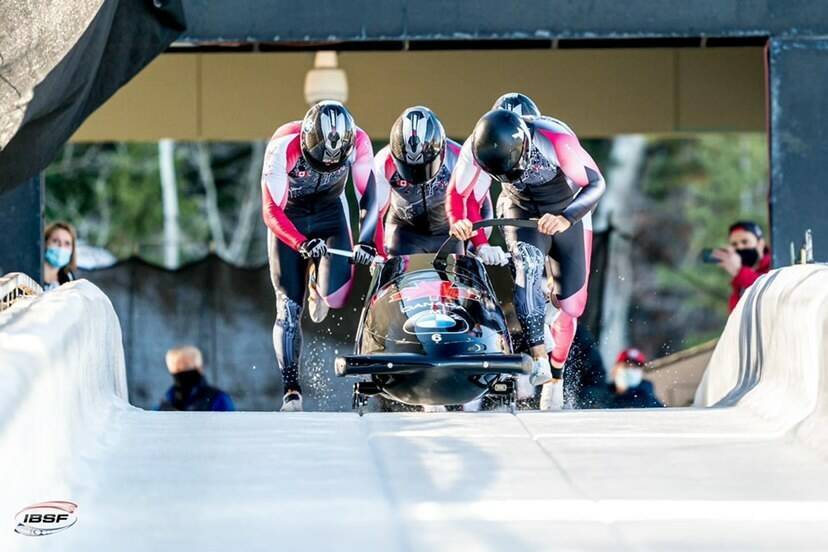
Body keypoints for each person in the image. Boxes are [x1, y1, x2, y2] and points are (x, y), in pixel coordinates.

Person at [448, 98, 606, 412]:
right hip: (519, 209)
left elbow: (596, 183)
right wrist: (460, 223)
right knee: (527, 269)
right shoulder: (475, 148)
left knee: (572, 305)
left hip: (566, 207)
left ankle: (557, 373)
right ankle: (539, 362)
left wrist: (567, 217)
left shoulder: (555, 139)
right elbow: (457, 194)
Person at [261, 100, 388, 412]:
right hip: (290, 218)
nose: (327, 167)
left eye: (335, 164)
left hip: (330, 213)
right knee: (289, 308)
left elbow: (368, 198)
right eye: (319, 162)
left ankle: (320, 281)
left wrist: (368, 243)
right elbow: (270, 210)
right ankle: (291, 389)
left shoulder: (358, 141)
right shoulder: (282, 146)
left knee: (336, 295)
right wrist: (300, 242)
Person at [374, 105, 494, 257]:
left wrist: (480, 244)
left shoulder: (459, 158)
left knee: (458, 278)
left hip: (449, 232)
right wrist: (379, 253)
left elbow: (478, 204)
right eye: (408, 167)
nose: (417, 175)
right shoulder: (382, 162)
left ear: (441, 149)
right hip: (405, 232)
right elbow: (375, 211)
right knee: (393, 276)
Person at [712, 220, 771, 311]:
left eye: (745, 242)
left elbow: (769, 293)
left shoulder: (775, 264)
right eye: (734, 244)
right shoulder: (740, 278)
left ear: (760, 244)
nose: (740, 247)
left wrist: (739, 271)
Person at [157, 346, 235, 411]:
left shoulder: (217, 399)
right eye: (177, 367)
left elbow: (227, 426)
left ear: (199, 367)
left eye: (186, 365)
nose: (182, 371)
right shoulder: (168, 399)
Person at [43, 221, 78, 291]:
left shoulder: (69, 278)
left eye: (67, 243)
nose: (61, 246)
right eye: (55, 241)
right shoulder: (29, 275)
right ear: (45, 243)